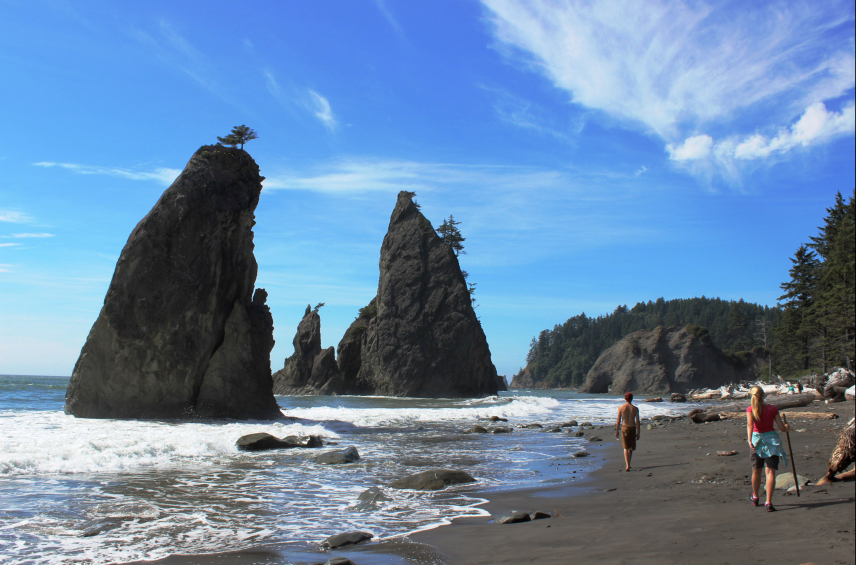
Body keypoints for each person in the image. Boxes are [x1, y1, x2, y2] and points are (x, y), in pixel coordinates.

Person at [747, 385, 790, 512]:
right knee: (770, 472)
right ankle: (768, 502)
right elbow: (782, 428)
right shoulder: (772, 408)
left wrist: (749, 440)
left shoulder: (751, 409)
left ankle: (755, 496)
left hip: (756, 441)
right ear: (763, 395)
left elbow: (750, 425)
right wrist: (787, 427)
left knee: (756, 470)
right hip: (772, 441)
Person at [615, 392, 640, 472]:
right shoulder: (635, 408)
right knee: (631, 447)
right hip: (632, 427)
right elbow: (637, 421)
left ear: (625, 398)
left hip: (625, 427)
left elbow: (618, 420)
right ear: (632, 398)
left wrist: (617, 430)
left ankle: (627, 465)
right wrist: (638, 432)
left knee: (625, 447)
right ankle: (629, 463)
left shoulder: (621, 408)